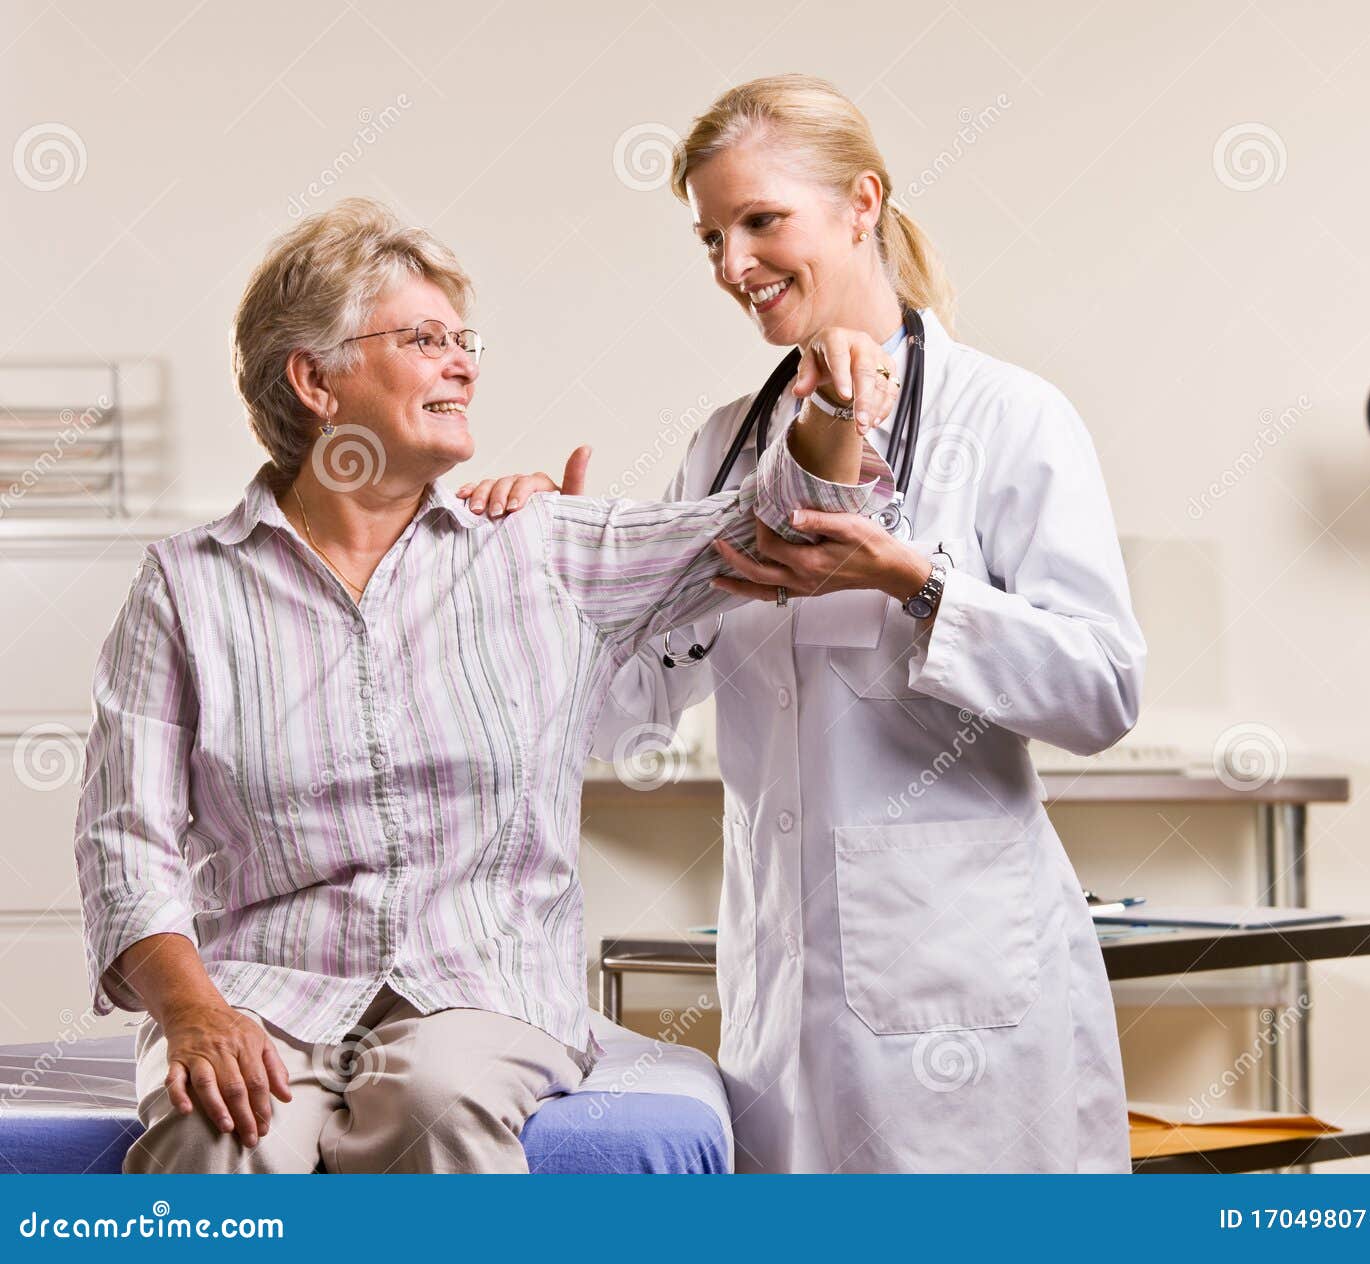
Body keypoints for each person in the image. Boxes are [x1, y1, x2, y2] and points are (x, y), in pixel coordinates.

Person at [72, 196, 901, 1174]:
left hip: (479, 990)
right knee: (221, 1133)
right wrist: (194, 1013)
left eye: (462, 339)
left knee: (430, 1095)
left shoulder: (539, 548)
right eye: (425, 339)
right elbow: (126, 844)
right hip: (257, 990)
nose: (463, 361)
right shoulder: (185, 588)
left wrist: (834, 411)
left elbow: (773, 527)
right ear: (315, 380)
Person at [464, 76, 1148, 1174]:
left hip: (962, 986)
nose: (735, 265)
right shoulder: (726, 447)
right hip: (779, 985)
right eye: (710, 238)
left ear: (861, 202)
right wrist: (548, 578)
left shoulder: (1010, 418)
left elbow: (1103, 691)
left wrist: (910, 581)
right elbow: (624, 719)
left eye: (761, 221)